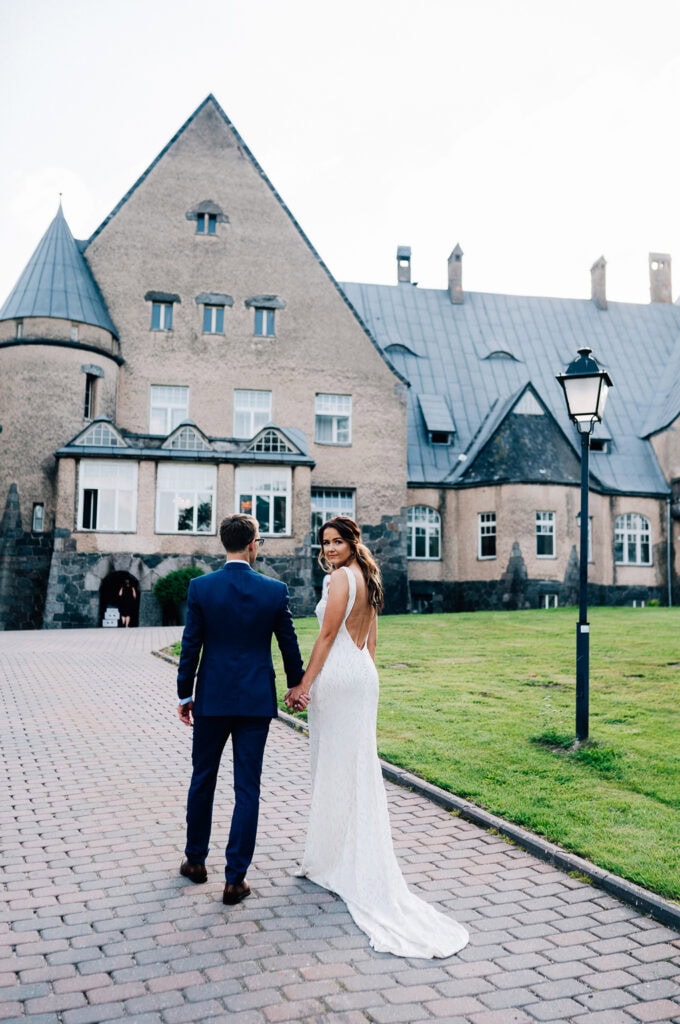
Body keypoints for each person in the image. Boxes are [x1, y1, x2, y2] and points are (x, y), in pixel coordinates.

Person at [285, 516, 469, 958]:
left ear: (352, 543)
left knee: (335, 767)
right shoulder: (368, 576)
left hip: (341, 679)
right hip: (363, 677)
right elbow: (370, 641)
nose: (328, 549)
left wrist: (303, 685)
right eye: (325, 543)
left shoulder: (338, 581)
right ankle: (337, 854)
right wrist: (367, 675)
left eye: (336, 542)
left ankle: (335, 860)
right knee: (356, 766)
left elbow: (327, 636)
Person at [177, 513, 304, 905]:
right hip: (254, 702)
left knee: (203, 778)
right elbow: (288, 644)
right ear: (253, 544)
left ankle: (195, 862)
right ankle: (235, 880)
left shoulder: (201, 588)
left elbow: (190, 646)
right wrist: (297, 683)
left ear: (224, 543)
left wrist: (185, 695)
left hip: (212, 700)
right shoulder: (274, 590)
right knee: (247, 788)